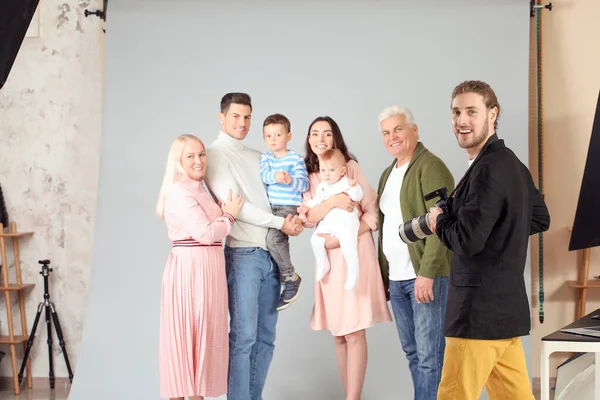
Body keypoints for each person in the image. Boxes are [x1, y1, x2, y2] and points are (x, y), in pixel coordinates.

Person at [428, 80, 550, 400]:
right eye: (456, 112)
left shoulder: (486, 170)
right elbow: (539, 218)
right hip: (505, 314)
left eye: (471, 111)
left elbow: (467, 241)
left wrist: (438, 221)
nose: (461, 120)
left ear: (492, 114)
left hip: (476, 314)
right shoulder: (511, 164)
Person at [203, 93, 303, 400]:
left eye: (247, 117)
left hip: (272, 255)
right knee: (244, 338)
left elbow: (280, 197)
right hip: (244, 254)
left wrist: (296, 218)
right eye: (235, 116)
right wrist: (279, 224)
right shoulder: (214, 154)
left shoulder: (259, 155)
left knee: (265, 338)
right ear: (222, 118)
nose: (242, 123)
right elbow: (237, 206)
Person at [299, 116, 392, 400]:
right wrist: (332, 202)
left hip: (353, 252)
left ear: (335, 139)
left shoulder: (349, 167)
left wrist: (345, 238)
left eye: (327, 134)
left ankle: (353, 398)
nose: (320, 139)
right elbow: (308, 218)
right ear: (308, 139)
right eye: (315, 134)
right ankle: (350, 396)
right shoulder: (308, 174)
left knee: (354, 332)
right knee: (338, 334)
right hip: (328, 260)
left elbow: (372, 210)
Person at [156, 134, 244, 400]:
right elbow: (206, 233)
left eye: (202, 154)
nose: (198, 161)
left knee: (200, 343)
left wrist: (222, 216)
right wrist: (229, 215)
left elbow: (210, 231)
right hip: (191, 272)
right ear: (178, 162)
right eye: (190, 156)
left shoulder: (199, 189)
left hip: (206, 270)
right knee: (187, 342)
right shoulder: (180, 192)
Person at [376, 105, 454, 400]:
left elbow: (443, 223)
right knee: (413, 353)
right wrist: (384, 276)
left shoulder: (430, 166)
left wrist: (427, 273)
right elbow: (385, 228)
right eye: (386, 132)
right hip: (397, 280)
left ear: (414, 130)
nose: (392, 137)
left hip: (424, 278)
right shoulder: (388, 173)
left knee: (429, 358)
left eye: (398, 129)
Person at [260, 113, 309, 311]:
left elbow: (304, 184)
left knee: (274, 240)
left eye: (277, 135)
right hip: (271, 208)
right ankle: (283, 277)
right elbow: (264, 175)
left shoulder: (295, 159)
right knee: (271, 241)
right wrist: (275, 176)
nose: (273, 140)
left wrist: (290, 180)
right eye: (268, 136)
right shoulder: (266, 158)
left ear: (288, 136)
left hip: (288, 207)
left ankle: (290, 277)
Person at [302, 148, 363, 291]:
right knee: (315, 240)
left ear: (342, 171)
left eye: (331, 170)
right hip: (328, 222)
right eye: (323, 171)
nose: (327, 174)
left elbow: (357, 196)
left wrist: (354, 187)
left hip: (346, 220)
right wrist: (306, 207)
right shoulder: (322, 186)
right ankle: (323, 263)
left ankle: (353, 271)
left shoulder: (347, 182)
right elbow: (316, 201)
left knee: (348, 244)